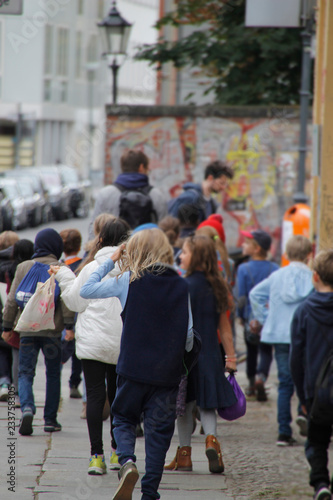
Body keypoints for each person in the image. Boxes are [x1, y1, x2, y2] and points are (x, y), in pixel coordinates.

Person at [80, 228, 193, 500]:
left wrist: (110, 259)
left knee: (124, 418)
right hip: (166, 373)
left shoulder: (127, 280)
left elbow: (86, 289)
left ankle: (128, 462)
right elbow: (188, 336)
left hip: (132, 368)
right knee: (159, 433)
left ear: (134, 251)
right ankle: (150, 492)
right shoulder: (181, 285)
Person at [50, 219, 130, 475]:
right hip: (122, 342)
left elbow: (75, 301)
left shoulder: (92, 267)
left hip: (93, 342)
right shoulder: (132, 269)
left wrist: (63, 274)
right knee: (118, 396)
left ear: (101, 240)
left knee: (95, 396)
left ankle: (97, 456)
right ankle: (119, 452)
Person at [165, 235, 236, 474]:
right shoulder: (218, 286)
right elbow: (224, 328)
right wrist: (231, 358)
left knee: (183, 405)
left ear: (195, 257)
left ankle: (184, 455)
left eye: (184, 252)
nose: (179, 257)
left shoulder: (182, 286)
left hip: (185, 355)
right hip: (211, 355)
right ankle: (211, 440)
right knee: (207, 404)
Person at [2, 228, 75, 436]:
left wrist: (7, 327)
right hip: (52, 332)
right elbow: (67, 300)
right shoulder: (60, 268)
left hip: (27, 331)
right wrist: (69, 326)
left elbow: (11, 300)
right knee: (53, 373)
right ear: (56, 247)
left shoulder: (24, 266)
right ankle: (50, 419)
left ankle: (26, 408)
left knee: (25, 372)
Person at [250, 235, 313, 446]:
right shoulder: (313, 277)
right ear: (309, 255)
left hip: (279, 334)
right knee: (305, 379)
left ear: (286, 254)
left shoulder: (277, 276)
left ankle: (284, 432)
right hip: (305, 335)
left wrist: (264, 319)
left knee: (285, 382)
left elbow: (255, 294)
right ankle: (304, 414)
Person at [290, 250, 333, 500]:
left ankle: (320, 484)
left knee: (317, 441)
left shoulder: (304, 311)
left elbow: (296, 358)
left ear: (314, 276)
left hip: (316, 391)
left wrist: (302, 397)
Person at [236, 229, 279, 400]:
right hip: (269, 318)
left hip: (250, 319)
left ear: (257, 248)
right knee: (267, 351)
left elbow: (241, 297)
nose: (242, 245)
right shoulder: (275, 268)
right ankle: (262, 376)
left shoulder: (243, 268)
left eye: (246, 243)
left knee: (251, 351)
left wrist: (240, 315)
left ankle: (252, 384)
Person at [88, 150, 167, 238]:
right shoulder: (156, 195)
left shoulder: (105, 194)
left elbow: (93, 231)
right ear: (141, 167)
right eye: (148, 169)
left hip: (114, 250)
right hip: (147, 250)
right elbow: (164, 231)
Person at [0, 239, 34, 406]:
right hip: (32, 318)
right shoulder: (33, 268)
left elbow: (10, 298)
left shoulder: (10, 270)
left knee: (16, 357)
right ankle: (26, 393)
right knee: (28, 361)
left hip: (14, 319)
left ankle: (16, 391)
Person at [168, 160, 234, 223]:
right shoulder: (190, 197)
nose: (223, 187)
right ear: (210, 178)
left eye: (225, 184)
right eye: (221, 183)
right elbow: (173, 225)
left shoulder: (212, 204)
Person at [59, 228, 83, 399]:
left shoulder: (59, 267)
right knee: (77, 353)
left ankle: (55, 379)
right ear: (79, 246)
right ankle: (74, 383)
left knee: (60, 350)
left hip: (60, 317)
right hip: (77, 314)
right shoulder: (83, 266)